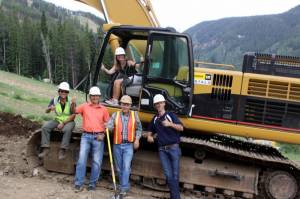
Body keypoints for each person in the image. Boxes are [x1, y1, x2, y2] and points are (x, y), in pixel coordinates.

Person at [147, 94, 183, 199]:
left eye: (160, 103)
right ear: (155, 105)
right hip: (162, 150)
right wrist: (149, 136)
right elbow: (150, 130)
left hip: (174, 148)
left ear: (164, 103)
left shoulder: (170, 115)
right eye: (156, 104)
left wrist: (170, 124)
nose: (159, 105)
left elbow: (181, 128)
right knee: (168, 175)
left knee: (175, 175)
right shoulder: (155, 118)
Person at [73, 86, 110, 192]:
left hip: (98, 137)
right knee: (81, 160)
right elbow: (74, 111)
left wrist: (103, 134)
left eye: (96, 95)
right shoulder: (84, 106)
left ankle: (92, 184)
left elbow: (108, 124)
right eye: (93, 95)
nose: (94, 97)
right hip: (86, 136)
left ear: (99, 97)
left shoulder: (103, 109)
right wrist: (73, 103)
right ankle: (78, 183)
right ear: (90, 96)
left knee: (97, 162)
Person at [106, 95, 142, 197]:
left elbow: (139, 128)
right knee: (119, 168)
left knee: (126, 167)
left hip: (128, 145)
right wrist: (108, 127)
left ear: (130, 105)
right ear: (120, 105)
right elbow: (110, 126)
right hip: (117, 145)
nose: (125, 106)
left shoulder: (135, 115)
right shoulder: (115, 115)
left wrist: (137, 139)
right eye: (123, 104)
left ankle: (123, 188)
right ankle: (124, 186)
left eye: (127, 104)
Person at [38, 82, 75, 160]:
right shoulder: (54, 100)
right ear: (59, 91)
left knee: (66, 129)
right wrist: (49, 108)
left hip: (69, 121)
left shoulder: (71, 101)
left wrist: (63, 123)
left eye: (66, 91)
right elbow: (46, 111)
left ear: (68, 92)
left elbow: (73, 115)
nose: (63, 93)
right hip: (58, 120)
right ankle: (46, 148)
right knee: (45, 127)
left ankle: (63, 150)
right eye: (62, 91)